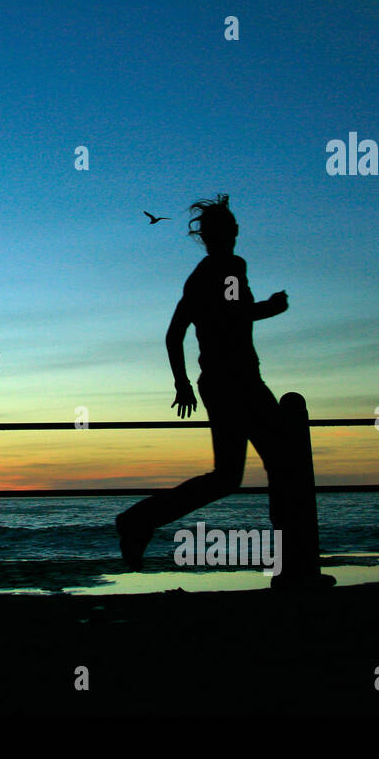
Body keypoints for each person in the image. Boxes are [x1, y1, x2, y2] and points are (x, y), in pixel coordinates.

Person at [116, 194, 295, 573]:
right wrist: (272, 307)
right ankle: (294, 557)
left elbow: (174, 333)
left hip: (217, 381)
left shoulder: (198, 276)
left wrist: (183, 383)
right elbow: (234, 312)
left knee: (230, 476)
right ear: (231, 233)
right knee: (282, 464)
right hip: (239, 380)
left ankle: (140, 519)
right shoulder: (230, 267)